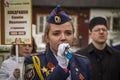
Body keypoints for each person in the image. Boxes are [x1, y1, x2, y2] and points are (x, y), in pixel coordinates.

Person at [24, 5, 92, 80]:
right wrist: (61, 66)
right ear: (46, 38)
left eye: (68, 33)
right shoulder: (34, 61)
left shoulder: (83, 62)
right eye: (56, 33)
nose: (63, 38)